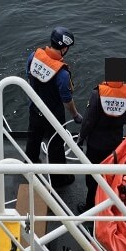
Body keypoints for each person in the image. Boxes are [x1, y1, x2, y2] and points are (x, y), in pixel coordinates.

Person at [77, 58, 126, 212]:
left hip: (95, 144)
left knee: (93, 176)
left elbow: (87, 122)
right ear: (123, 77)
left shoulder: (97, 94)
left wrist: (80, 139)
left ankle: (90, 206)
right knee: (111, 175)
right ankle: (109, 205)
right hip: (114, 144)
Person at [25, 25, 82, 189]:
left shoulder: (33, 57)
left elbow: (29, 76)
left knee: (33, 139)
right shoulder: (62, 74)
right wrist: (76, 115)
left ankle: (30, 166)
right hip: (53, 115)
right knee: (56, 146)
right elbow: (67, 99)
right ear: (64, 48)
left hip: (35, 109)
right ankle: (58, 179)